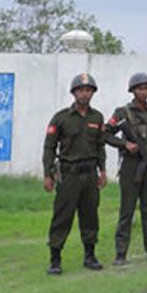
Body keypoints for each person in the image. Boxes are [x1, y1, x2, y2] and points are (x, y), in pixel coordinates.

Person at [42, 73, 108, 275]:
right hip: (69, 175)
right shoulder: (61, 118)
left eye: (88, 90)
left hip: (89, 174)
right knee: (63, 216)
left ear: (92, 93)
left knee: (90, 216)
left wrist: (103, 170)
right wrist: (47, 174)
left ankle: (90, 255)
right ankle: (55, 258)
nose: (84, 94)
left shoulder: (97, 117)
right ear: (74, 93)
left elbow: (100, 146)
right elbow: (49, 147)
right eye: (80, 90)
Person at [106, 72, 147, 264]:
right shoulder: (123, 112)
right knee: (127, 211)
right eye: (140, 88)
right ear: (133, 91)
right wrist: (124, 145)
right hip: (131, 166)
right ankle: (120, 253)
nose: (144, 91)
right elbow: (105, 133)